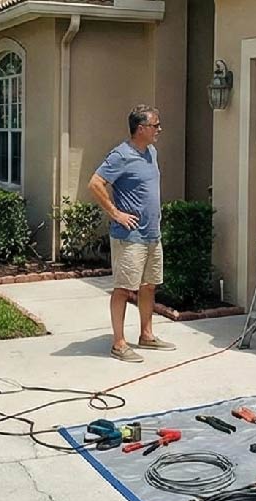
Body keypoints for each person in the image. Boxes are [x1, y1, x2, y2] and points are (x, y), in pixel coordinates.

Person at [88, 104, 175, 363]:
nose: (159, 129)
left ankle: (146, 335)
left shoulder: (151, 152)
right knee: (124, 289)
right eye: (155, 125)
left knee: (149, 286)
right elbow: (95, 184)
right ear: (141, 128)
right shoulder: (121, 155)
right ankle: (118, 343)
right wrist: (116, 214)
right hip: (130, 236)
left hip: (152, 233)